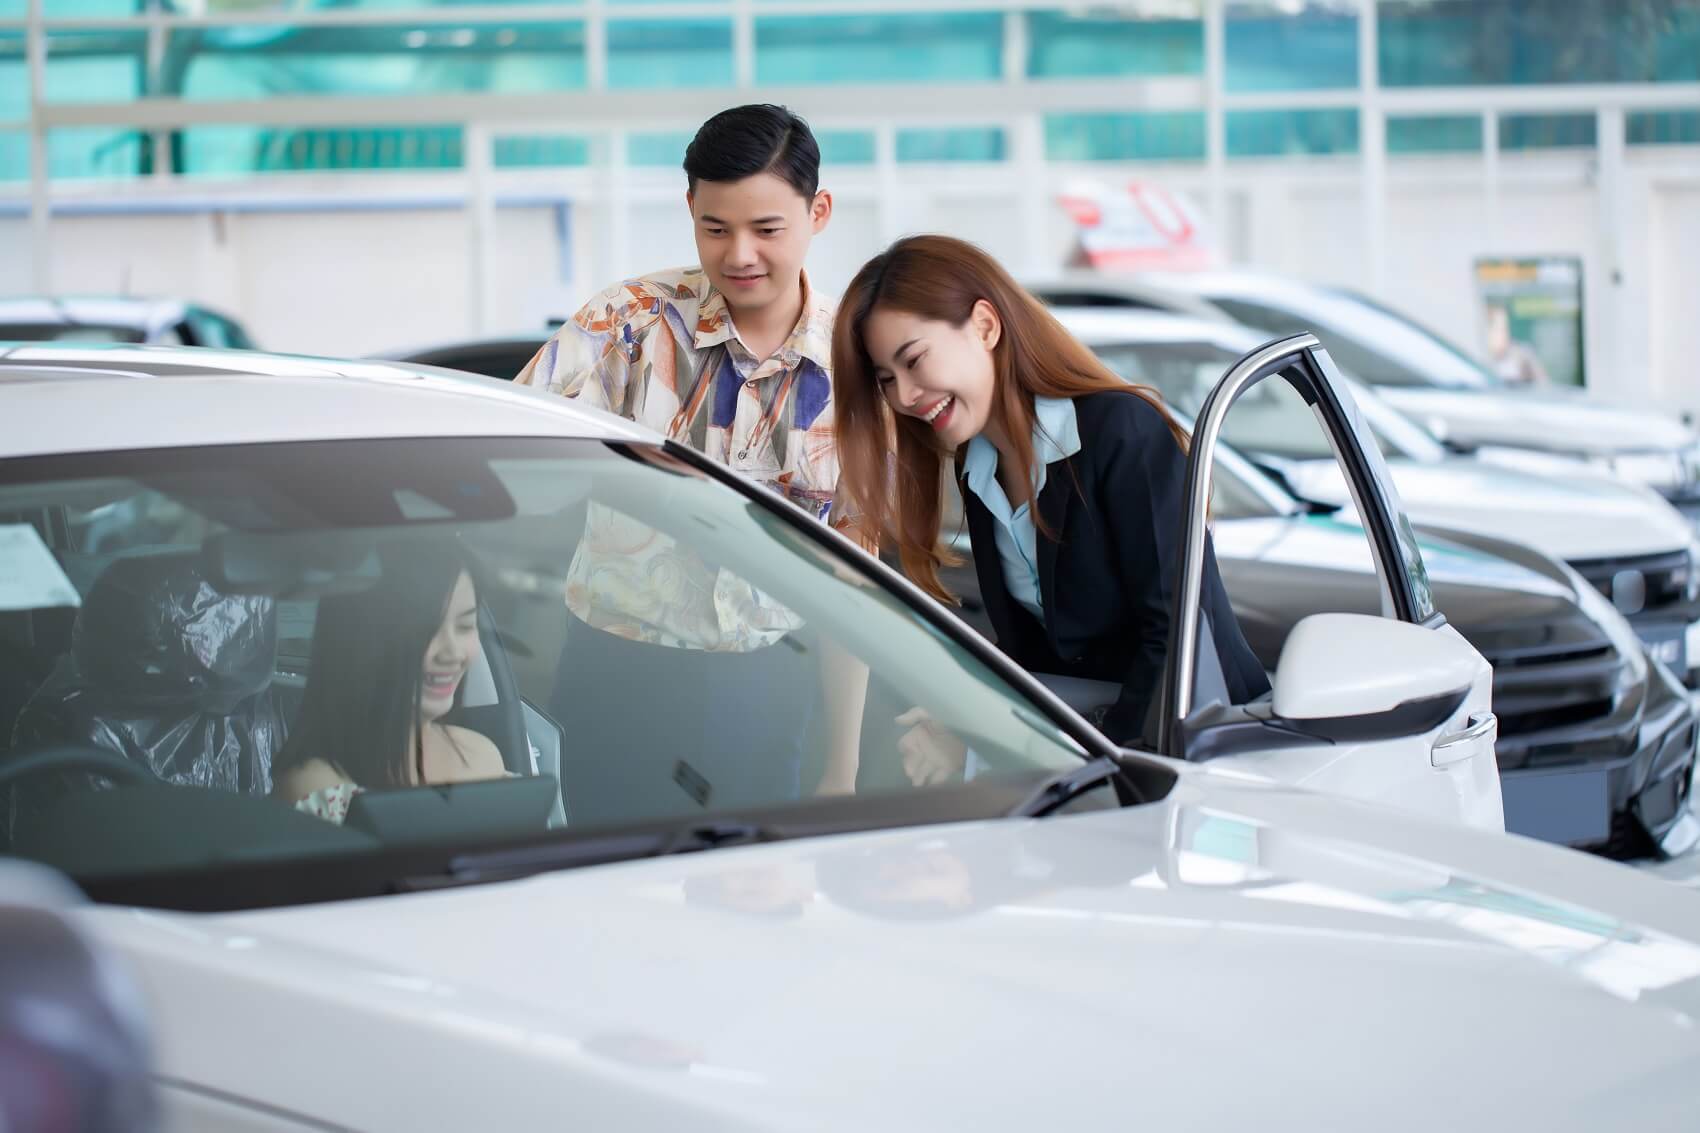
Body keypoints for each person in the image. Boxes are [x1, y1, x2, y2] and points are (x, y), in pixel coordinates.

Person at [515, 104, 867, 815]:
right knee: (609, 904)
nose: (740, 254)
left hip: (767, 685)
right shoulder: (626, 324)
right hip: (614, 672)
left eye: (767, 229)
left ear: (818, 211)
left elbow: (853, 575)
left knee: (756, 907)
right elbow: (505, 443)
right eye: (716, 228)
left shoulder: (856, 362)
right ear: (689, 209)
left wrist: (843, 764)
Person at [831, 235, 1268, 757]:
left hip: (1204, 746)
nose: (903, 396)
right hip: (1110, 750)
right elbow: (1035, 654)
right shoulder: (977, 467)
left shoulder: (1121, 432)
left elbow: (1174, 640)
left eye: (915, 360)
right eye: (886, 379)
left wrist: (1084, 763)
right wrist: (966, 718)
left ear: (986, 326)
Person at [271, 543, 506, 824]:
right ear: (365, 640)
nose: (452, 652)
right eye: (426, 630)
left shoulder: (483, 756)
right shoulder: (317, 790)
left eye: (466, 626)